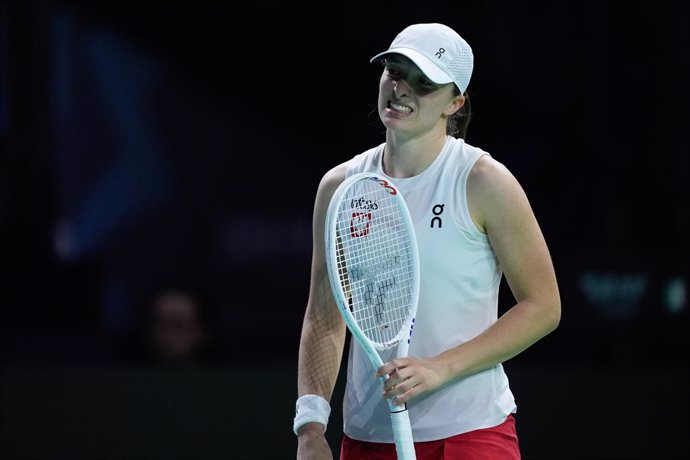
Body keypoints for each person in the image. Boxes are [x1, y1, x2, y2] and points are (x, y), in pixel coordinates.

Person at [295, 23, 561, 459]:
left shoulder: (482, 181)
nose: (401, 89)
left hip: (471, 435)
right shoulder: (340, 187)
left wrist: (441, 369)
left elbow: (544, 307)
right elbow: (325, 315)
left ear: (454, 103)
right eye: (394, 72)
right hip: (366, 438)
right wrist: (310, 427)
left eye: (424, 84)